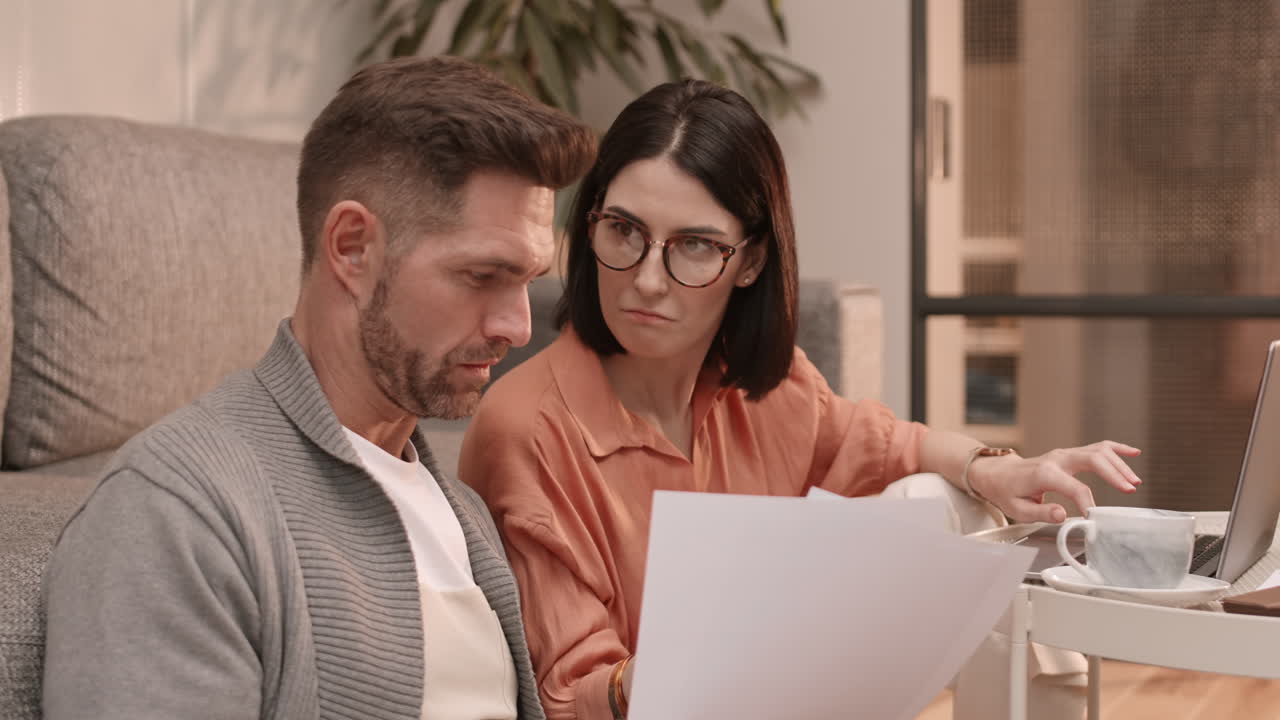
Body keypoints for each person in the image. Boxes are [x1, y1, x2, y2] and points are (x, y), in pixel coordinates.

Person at [458, 79, 1143, 720]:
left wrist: (998, 467)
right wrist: (727, 640)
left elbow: (890, 445)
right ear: (591, 225)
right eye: (624, 230)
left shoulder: (766, 386)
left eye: (693, 245)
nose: (647, 279)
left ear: (751, 260)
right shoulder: (525, 426)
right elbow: (568, 696)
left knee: (952, 503)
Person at [40, 56, 595, 720]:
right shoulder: (175, 511)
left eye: (527, 281)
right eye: (482, 276)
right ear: (353, 246)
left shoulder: (464, 513)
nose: (519, 326)